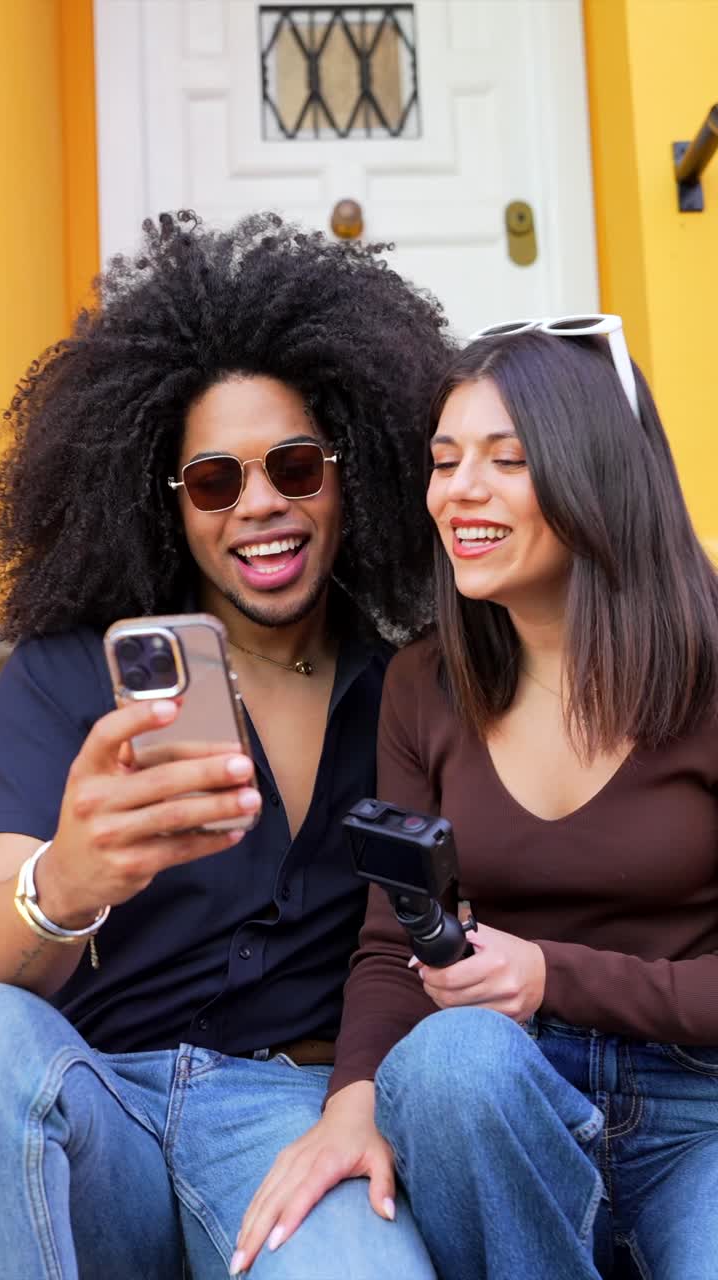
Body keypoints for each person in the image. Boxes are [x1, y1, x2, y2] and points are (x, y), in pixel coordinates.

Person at [0, 210, 452, 1279]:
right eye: (215, 480)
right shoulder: (68, 674)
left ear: (355, 473)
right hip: (88, 1100)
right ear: (169, 503)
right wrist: (65, 881)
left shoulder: (408, 692)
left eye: (295, 465)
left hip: (291, 1122)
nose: (261, 505)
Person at [234, 316, 718, 1280]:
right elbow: (387, 941)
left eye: (506, 460)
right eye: (444, 460)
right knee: (451, 1060)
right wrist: (350, 1105)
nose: (459, 491)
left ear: (597, 474)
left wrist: (553, 976)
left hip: (698, 1109)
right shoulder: (425, 684)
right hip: (498, 1104)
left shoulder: (709, 669)